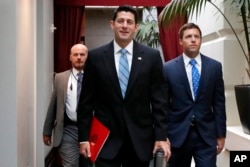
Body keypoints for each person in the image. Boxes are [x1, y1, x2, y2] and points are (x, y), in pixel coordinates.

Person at [77, 5, 171, 167]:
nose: (124, 25)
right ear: (112, 24)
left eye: (129, 22)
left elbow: (159, 102)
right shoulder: (96, 57)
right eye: (120, 21)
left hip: (139, 140)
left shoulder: (151, 57)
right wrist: (84, 138)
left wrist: (161, 136)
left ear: (136, 27)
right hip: (105, 140)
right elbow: (86, 102)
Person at [163, 22, 226, 167]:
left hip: (206, 136)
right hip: (177, 136)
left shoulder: (215, 67)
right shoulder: (168, 68)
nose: (193, 40)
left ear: (200, 40)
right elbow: (163, 105)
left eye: (196, 36)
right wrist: (163, 135)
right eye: (188, 36)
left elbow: (219, 104)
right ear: (180, 41)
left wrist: (221, 134)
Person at [43, 43, 88, 167]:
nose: (79, 57)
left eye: (82, 54)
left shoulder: (96, 77)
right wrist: (47, 130)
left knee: (89, 164)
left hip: (90, 130)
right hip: (67, 129)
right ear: (70, 57)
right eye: (76, 54)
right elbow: (53, 104)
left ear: (87, 57)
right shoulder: (60, 78)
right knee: (71, 164)